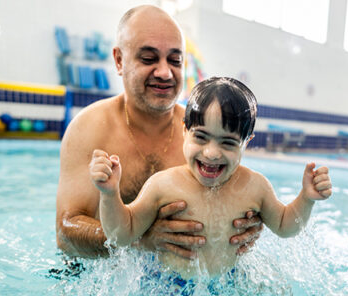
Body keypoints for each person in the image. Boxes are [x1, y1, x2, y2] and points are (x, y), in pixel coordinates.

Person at [55, 5, 262, 265]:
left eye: (174, 60)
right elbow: (65, 234)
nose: (165, 72)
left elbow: (237, 199)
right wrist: (140, 240)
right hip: (100, 275)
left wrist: (247, 225)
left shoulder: (201, 135)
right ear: (119, 60)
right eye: (149, 58)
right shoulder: (89, 128)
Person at [90, 77, 332, 279]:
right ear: (185, 131)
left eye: (227, 142)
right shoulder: (163, 185)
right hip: (168, 286)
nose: (212, 153)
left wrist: (306, 198)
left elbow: (285, 226)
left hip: (226, 284)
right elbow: (121, 235)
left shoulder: (255, 186)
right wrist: (110, 194)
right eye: (201, 137)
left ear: (246, 142)